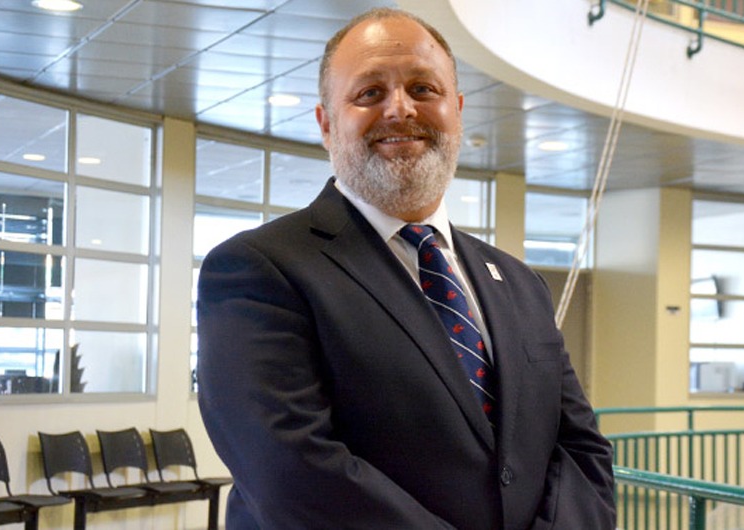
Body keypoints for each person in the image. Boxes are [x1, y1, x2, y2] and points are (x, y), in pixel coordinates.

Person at [197, 7, 616, 529]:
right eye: (369, 93)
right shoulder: (259, 270)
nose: (400, 109)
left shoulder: (520, 283)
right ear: (326, 124)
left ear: (456, 111)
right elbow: (292, 476)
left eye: (423, 89)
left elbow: (580, 450)